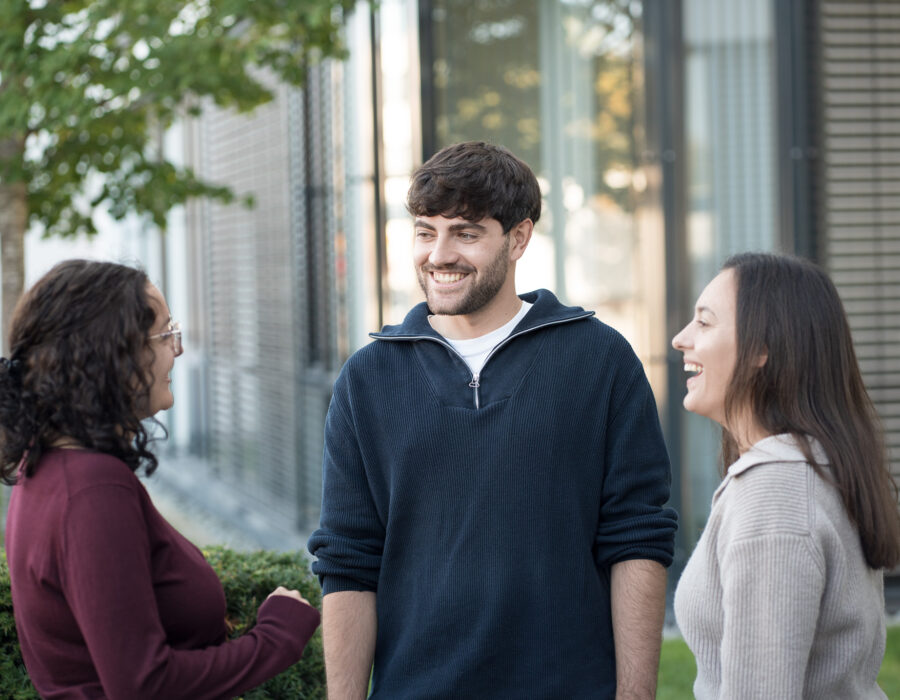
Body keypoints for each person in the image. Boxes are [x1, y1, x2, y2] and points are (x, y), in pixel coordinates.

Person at [307, 141, 678, 699]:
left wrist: (634, 696)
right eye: (426, 231)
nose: (439, 255)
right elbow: (349, 560)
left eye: (466, 232)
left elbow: (637, 537)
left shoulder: (599, 360)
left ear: (519, 237)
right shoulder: (368, 379)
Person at [1, 259, 321, 699]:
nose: (179, 348)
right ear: (112, 356)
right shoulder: (91, 489)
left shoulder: (47, 466)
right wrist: (276, 636)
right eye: (165, 334)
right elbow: (144, 685)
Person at [671, 252, 900, 699]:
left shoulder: (776, 491)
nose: (681, 339)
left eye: (705, 322)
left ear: (762, 349)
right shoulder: (810, 468)